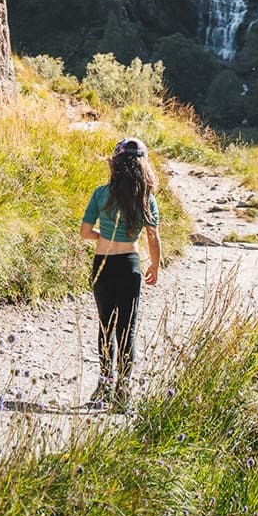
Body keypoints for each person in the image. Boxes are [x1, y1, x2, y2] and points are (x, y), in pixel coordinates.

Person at [79, 136, 161, 411]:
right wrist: (155, 266)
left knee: (106, 326)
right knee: (127, 330)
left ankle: (103, 386)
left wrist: (104, 234)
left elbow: (84, 232)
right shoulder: (146, 199)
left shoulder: (101, 194)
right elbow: (153, 238)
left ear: (115, 163)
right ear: (143, 166)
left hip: (102, 263)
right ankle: (123, 394)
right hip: (130, 264)